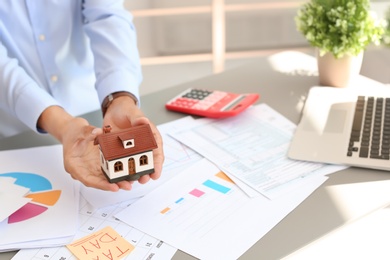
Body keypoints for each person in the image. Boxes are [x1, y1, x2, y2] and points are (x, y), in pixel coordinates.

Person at [0, 1, 164, 191]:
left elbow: (108, 17)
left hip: (93, 109)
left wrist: (120, 97)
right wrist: (63, 125)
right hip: (16, 131)